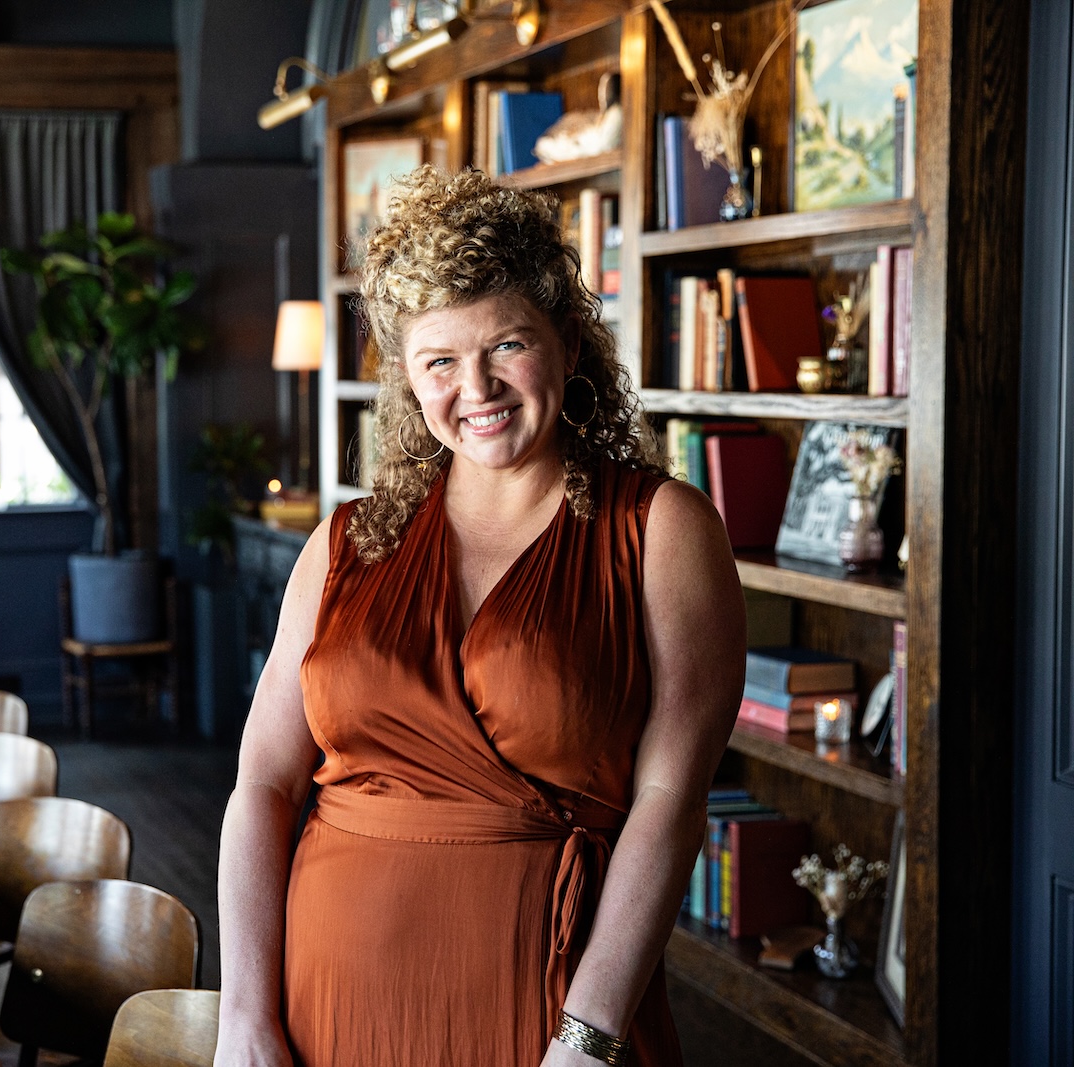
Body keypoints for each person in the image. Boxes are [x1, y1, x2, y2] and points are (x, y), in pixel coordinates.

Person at [215, 166, 745, 1067]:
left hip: (545, 1016)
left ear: (568, 343)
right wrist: (243, 1014)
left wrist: (587, 1039)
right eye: (441, 362)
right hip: (322, 1011)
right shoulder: (344, 543)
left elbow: (671, 801)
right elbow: (263, 781)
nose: (479, 387)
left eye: (507, 344)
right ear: (407, 379)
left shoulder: (663, 530)